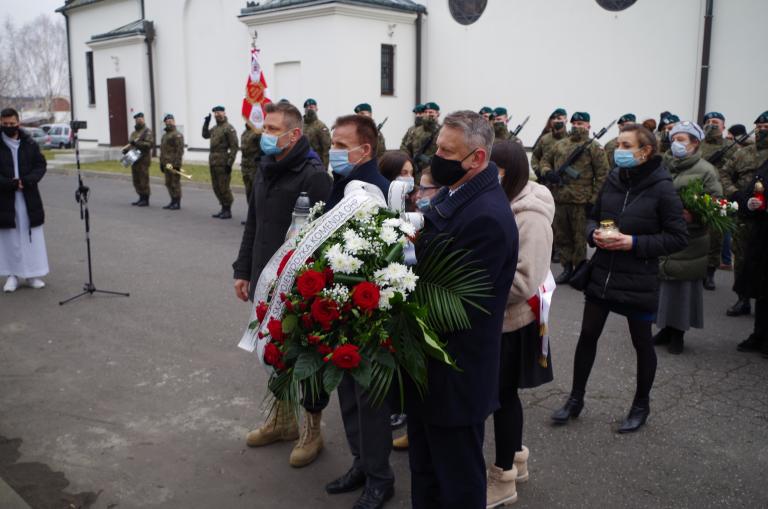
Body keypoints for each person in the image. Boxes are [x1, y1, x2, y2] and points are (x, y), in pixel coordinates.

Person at [407, 110, 518, 509]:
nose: (436, 157)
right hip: (430, 370)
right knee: (426, 472)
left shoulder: (485, 216)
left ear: (477, 159)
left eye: (446, 150)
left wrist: (392, 298)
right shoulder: (458, 195)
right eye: (437, 146)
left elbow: (459, 306)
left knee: (457, 484)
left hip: (454, 375)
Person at [551, 124, 688, 433]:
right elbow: (593, 215)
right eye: (619, 144)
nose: (619, 150)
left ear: (645, 151)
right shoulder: (614, 178)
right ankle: (575, 399)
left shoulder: (662, 187)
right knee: (587, 336)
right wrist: (593, 233)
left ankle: (641, 405)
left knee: (642, 344)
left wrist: (634, 243)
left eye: (626, 145)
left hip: (638, 278)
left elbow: (677, 236)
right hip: (603, 273)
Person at [233, 101, 332, 467]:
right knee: (272, 354)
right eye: (265, 128)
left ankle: (312, 429)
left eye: (273, 130)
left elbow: (322, 242)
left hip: (297, 285)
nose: (266, 136)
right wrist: (244, 270)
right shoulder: (266, 167)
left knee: (307, 358)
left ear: (294, 135)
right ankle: (282, 419)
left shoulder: (314, 175)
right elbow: (253, 223)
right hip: (262, 279)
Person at [323, 114, 393, 509]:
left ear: (364, 150)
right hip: (340, 309)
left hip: (366, 313)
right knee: (348, 393)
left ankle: (381, 478)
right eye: (332, 143)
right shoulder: (344, 185)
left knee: (370, 400)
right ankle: (360, 464)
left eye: (339, 144)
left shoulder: (372, 191)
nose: (332, 151)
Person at [486, 140, 554, 507]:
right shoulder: (503, 201)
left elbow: (523, 280)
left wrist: (471, 287)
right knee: (502, 396)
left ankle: (503, 477)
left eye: (490, 171)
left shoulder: (530, 215)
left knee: (502, 398)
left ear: (507, 174)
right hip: (497, 320)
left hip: (512, 322)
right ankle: (516, 458)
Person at [653, 121, 722, 354]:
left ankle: (678, 333)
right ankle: (664, 327)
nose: (676, 144)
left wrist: (695, 214)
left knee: (682, 288)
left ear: (695, 143)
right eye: (674, 139)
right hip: (664, 234)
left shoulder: (705, 170)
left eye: (682, 140)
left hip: (690, 239)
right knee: (664, 284)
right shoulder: (665, 165)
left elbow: (717, 204)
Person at [540, 112, 610, 284]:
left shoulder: (594, 147)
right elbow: (544, 161)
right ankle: (566, 268)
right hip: (560, 198)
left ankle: (579, 270)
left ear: (588, 126)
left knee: (579, 239)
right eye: (575, 123)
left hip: (581, 201)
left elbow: (602, 175)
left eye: (581, 123)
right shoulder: (560, 145)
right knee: (563, 237)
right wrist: (548, 173)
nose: (577, 126)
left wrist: (594, 200)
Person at [722, 112, 768, 319]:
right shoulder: (742, 153)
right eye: (758, 126)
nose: (762, 130)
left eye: (766, 126)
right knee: (740, 255)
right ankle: (742, 298)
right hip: (744, 212)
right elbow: (723, 174)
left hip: (765, 217)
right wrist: (735, 193)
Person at [0, 108, 49, 292]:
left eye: (11, 124)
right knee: (9, 237)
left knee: (31, 236)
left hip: (28, 196)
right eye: (4, 124)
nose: (8, 127)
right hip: (6, 198)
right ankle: (12, 275)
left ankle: (32, 274)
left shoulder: (29, 142)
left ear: (18, 123)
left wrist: (27, 181)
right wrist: (10, 184)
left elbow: (40, 164)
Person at [733, 151, 768, 357]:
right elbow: (752, 189)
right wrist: (749, 203)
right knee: (762, 287)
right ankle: (759, 334)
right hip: (762, 233)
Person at [699, 112, 732, 290]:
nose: (711, 125)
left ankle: (710, 272)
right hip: (697, 194)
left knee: (715, 236)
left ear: (723, 126)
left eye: (715, 122)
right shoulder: (697, 145)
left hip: (719, 196)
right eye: (708, 122)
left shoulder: (731, 147)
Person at [202, 105, 239, 219]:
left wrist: (230, 163)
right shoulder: (215, 128)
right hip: (213, 161)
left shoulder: (228, 128)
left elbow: (234, 146)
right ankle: (223, 207)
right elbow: (205, 135)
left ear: (224, 113)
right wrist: (206, 123)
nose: (217, 114)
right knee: (216, 186)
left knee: (224, 187)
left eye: (219, 112)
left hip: (223, 162)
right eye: (215, 113)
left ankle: (228, 209)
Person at [401, 102, 441, 181]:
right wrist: (409, 163)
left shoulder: (442, 131)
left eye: (431, 112)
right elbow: (406, 147)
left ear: (438, 114)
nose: (428, 114)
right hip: (417, 172)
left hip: (435, 172)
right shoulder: (416, 131)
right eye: (426, 112)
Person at [123, 112, 153, 206]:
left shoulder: (147, 131)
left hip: (143, 159)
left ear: (143, 119)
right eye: (137, 119)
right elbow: (131, 146)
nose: (139, 120)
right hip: (134, 158)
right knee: (136, 179)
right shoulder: (134, 133)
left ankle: (145, 199)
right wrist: (126, 151)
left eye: (140, 118)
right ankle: (140, 197)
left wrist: (137, 143)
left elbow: (149, 145)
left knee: (143, 179)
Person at [530, 108, 567, 176]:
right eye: (553, 118)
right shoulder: (544, 138)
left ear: (566, 120)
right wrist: (538, 171)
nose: (556, 121)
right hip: (546, 178)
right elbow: (535, 156)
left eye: (559, 118)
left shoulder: (570, 139)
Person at [159, 114, 184, 210]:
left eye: (171, 120)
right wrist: (161, 163)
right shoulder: (165, 135)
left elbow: (180, 150)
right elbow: (162, 150)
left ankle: (177, 202)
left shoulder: (177, 134)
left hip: (174, 163)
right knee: (168, 183)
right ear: (165, 123)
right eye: (167, 121)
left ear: (174, 122)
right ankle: (172, 200)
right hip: (166, 163)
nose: (169, 122)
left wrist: (177, 164)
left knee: (175, 183)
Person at [303, 98, 331, 167]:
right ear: (305, 110)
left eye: (312, 107)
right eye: (307, 107)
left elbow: (326, 149)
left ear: (316, 109)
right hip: (302, 162)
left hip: (315, 163)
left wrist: (324, 168)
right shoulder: (299, 124)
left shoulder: (321, 126)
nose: (310, 109)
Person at [240, 119, 262, 202]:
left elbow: (262, 149)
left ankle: (257, 212)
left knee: (255, 189)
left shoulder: (258, 132)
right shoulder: (245, 132)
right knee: (248, 190)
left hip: (254, 166)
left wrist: (259, 158)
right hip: (245, 165)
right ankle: (251, 212)